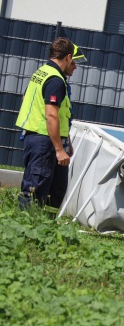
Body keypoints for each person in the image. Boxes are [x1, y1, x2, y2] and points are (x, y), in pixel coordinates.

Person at [16, 38, 86, 213]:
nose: (75, 66)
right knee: (35, 189)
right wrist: (59, 148)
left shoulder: (42, 72)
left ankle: (47, 231)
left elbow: (28, 99)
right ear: (68, 57)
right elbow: (51, 115)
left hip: (47, 138)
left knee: (56, 190)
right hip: (44, 141)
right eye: (74, 62)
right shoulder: (55, 80)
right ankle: (27, 230)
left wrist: (65, 139)